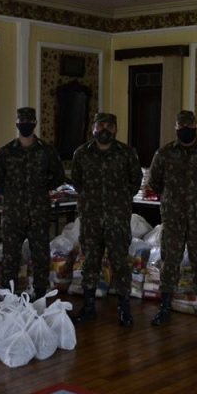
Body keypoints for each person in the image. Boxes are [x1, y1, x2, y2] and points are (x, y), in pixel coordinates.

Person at [147, 110, 197, 328]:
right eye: (181, 129)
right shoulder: (163, 154)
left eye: (189, 128)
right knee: (169, 261)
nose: (185, 132)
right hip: (173, 218)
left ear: (196, 128)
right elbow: (155, 182)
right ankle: (164, 306)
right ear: (176, 129)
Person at [71, 112, 142, 326]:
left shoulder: (127, 153)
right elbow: (77, 182)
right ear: (93, 128)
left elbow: (135, 182)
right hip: (91, 219)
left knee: (120, 264)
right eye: (100, 125)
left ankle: (124, 309)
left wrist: (118, 201)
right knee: (90, 263)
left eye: (109, 126)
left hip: (117, 219)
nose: (104, 130)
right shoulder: (82, 153)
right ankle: (89, 306)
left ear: (115, 129)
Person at [0, 107, 66, 299]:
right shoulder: (6, 151)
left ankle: (40, 294)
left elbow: (58, 177)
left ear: (34, 124)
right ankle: (8, 295)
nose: (25, 124)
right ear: (16, 123)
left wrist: (39, 190)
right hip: (13, 214)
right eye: (21, 121)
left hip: (39, 212)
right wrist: (13, 195)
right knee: (10, 257)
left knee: (40, 255)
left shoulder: (46, 151)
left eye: (29, 121)